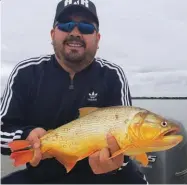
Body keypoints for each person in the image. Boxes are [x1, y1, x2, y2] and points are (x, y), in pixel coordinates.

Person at [1, 0, 148, 184]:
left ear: (98, 38)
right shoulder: (25, 72)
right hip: (41, 176)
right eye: (66, 25)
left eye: (86, 27)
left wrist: (118, 162)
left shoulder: (112, 75)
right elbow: (2, 132)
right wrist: (26, 136)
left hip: (102, 177)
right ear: (53, 34)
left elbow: (127, 144)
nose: (75, 32)